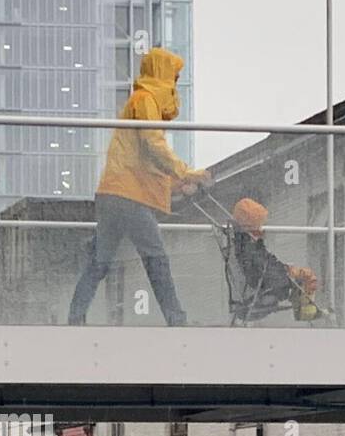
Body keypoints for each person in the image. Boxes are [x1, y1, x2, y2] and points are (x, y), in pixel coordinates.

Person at [69, 47, 210, 326]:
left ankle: (75, 317)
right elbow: (153, 145)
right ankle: (176, 319)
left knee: (100, 260)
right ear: (162, 73)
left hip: (115, 193)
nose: (175, 83)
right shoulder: (145, 100)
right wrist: (186, 172)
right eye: (174, 76)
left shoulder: (144, 103)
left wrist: (178, 183)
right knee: (156, 256)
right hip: (127, 196)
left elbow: (144, 161)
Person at [230, 198, 319, 319]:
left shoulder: (243, 244)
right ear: (251, 225)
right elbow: (264, 266)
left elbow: (263, 263)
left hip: (269, 279)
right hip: (272, 281)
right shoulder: (250, 247)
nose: (262, 228)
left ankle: (302, 306)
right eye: (259, 224)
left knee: (300, 277)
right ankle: (307, 313)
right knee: (307, 276)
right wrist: (284, 271)